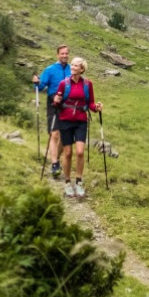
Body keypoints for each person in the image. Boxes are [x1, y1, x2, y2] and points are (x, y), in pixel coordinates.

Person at [53, 56, 102, 199]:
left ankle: (79, 182)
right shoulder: (64, 84)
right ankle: (67, 183)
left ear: (82, 69)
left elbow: (91, 104)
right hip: (65, 121)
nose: (72, 67)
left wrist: (97, 107)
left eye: (76, 66)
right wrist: (56, 101)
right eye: (72, 65)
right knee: (67, 153)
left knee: (80, 152)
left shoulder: (87, 84)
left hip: (81, 121)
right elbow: (57, 102)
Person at [32, 44, 70, 178]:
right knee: (54, 134)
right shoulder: (50, 69)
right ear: (57, 54)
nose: (64, 55)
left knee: (64, 136)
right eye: (62, 53)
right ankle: (54, 164)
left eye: (66, 53)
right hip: (53, 103)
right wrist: (36, 82)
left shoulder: (72, 69)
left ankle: (56, 159)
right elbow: (41, 86)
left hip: (68, 105)